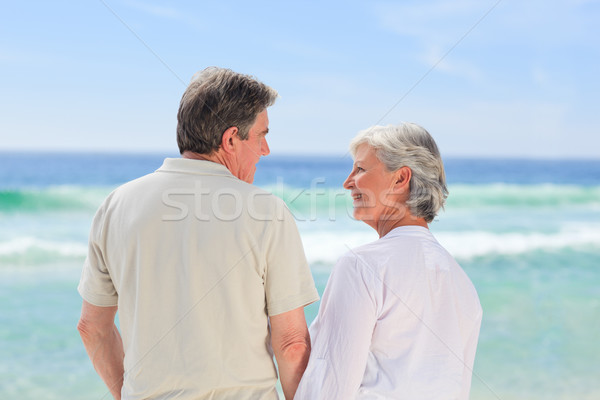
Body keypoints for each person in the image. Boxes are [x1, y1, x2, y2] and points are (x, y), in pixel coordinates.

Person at [77, 67, 319, 400]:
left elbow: (92, 328)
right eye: (261, 135)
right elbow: (292, 344)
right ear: (231, 139)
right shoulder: (267, 213)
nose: (266, 150)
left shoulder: (115, 206)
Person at [295, 123, 482, 399]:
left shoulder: (361, 266)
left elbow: (329, 391)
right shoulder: (463, 286)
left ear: (400, 179)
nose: (347, 182)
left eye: (360, 169)